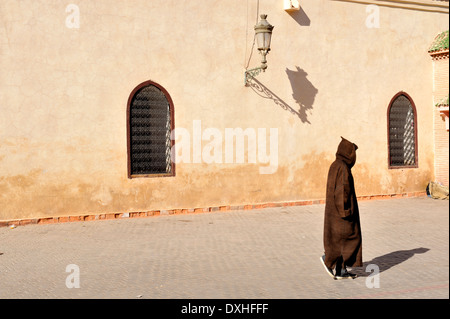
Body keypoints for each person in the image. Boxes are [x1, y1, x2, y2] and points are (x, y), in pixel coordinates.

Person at [320, 137, 362, 280]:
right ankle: (329, 260)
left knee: (338, 239)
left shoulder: (335, 165)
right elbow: (342, 191)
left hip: (333, 212)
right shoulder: (343, 168)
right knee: (350, 238)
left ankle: (341, 270)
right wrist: (346, 211)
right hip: (342, 213)